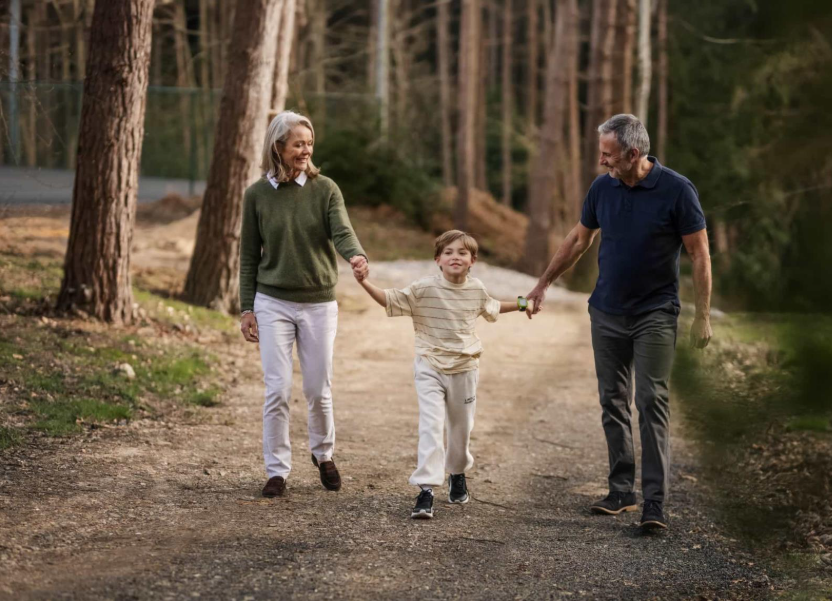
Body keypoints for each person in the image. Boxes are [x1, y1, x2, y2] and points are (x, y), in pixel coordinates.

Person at [525, 114, 712, 530]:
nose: (602, 162)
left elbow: (699, 253)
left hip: (655, 313)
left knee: (650, 401)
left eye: (608, 155)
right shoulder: (602, 187)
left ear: (633, 153)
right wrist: (543, 283)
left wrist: (701, 316)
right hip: (606, 311)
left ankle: (655, 502)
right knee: (612, 400)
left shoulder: (677, 190)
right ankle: (622, 489)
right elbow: (579, 239)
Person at [354, 230, 530, 518]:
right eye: (448, 252)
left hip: (465, 369)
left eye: (462, 252)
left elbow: (495, 307)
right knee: (431, 427)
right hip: (430, 366)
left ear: (472, 260)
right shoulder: (423, 289)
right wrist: (364, 282)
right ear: (438, 260)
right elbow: (389, 299)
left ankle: (457, 472)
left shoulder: (476, 290)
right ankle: (426, 490)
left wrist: (525, 303)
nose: (455, 257)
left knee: (461, 430)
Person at [239, 110, 369, 498]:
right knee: (276, 390)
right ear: (278, 146)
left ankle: (323, 453)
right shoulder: (256, 195)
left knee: (318, 389)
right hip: (272, 301)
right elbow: (248, 257)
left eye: (309, 144)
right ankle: (277, 470)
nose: (305, 150)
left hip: (317, 304)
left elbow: (342, 231)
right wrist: (247, 308)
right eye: (298, 144)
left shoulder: (325, 189)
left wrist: (355, 256)